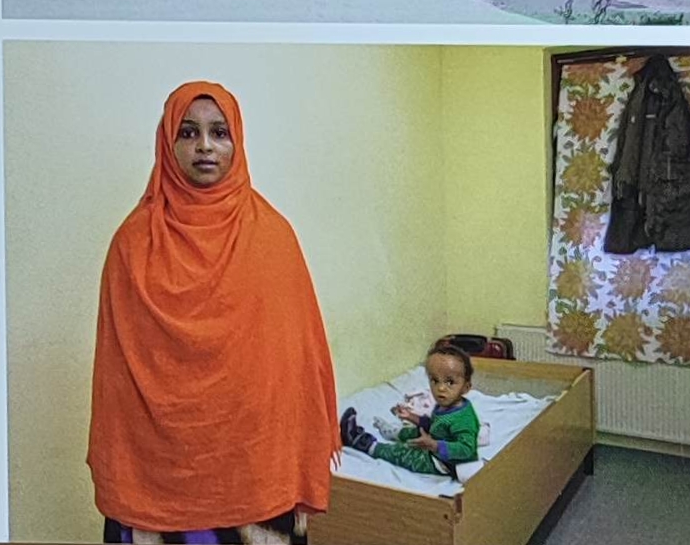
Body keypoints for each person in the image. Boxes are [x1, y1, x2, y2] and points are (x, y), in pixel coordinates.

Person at [88, 82, 341, 545]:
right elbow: (117, 377)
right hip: (156, 475)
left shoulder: (273, 237)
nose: (204, 146)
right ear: (167, 142)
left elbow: (295, 363)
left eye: (219, 132)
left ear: (237, 142)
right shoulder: (132, 243)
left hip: (256, 467)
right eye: (187, 133)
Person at [340, 345, 481, 477]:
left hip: (442, 463)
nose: (441, 388)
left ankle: (367, 444)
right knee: (415, 431)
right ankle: (394, 433)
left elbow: (466, 448)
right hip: (436, 441)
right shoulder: (446, 405)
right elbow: (435, 425)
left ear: (466, 387)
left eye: (450, 382)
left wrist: (434, 445)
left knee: (403, 454)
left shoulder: (464, 419)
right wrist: (412, 417)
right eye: (435, 381)